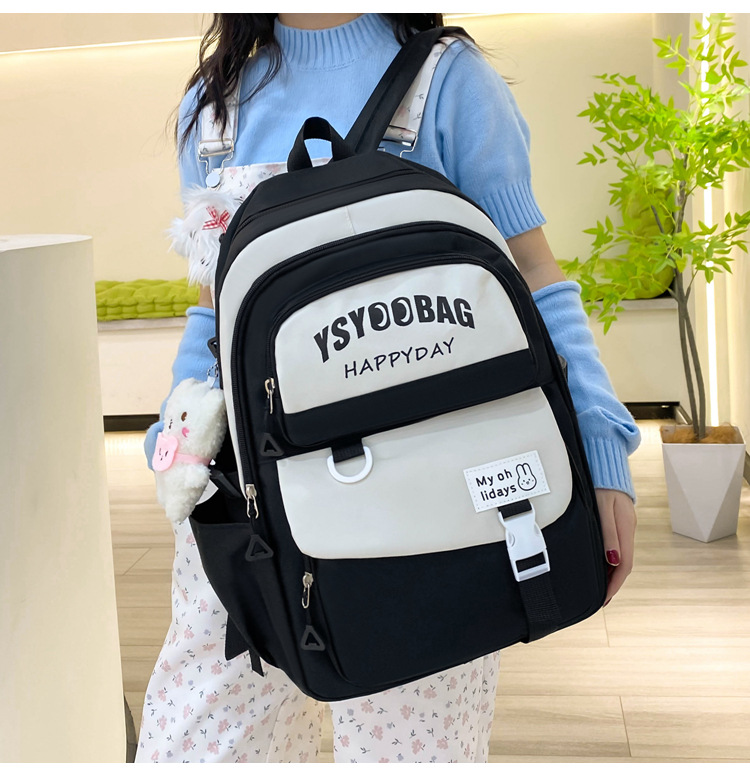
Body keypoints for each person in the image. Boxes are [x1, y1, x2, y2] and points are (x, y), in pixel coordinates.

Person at [136, 13, 640, 764]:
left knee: (412, 754)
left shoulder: (449, 80)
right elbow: (215, 306)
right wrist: (178, 430)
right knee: (204, 743)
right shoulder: (214, 107)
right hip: (245, 501)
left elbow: (532, 270)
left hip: (430, 502)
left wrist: (599, 439)